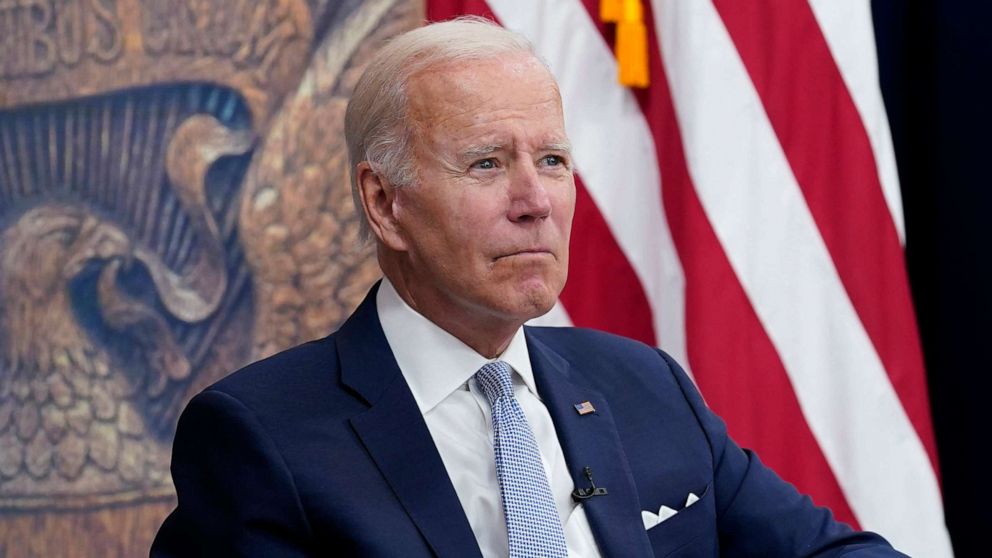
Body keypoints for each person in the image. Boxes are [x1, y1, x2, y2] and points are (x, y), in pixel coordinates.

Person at [152, 18, 906, 557]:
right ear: (385, 204)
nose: (535, 199)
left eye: (551, 160)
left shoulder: (645, 386)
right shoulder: (261, 438)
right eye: (486, 164)